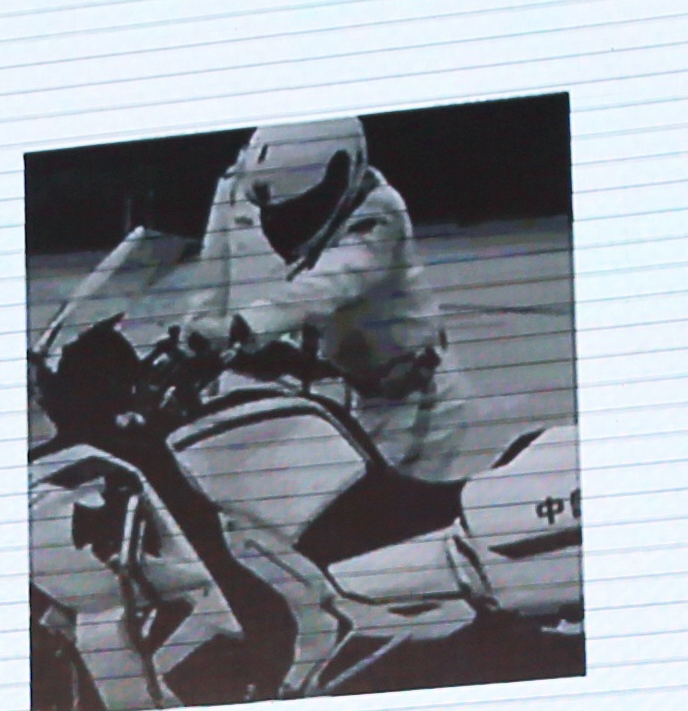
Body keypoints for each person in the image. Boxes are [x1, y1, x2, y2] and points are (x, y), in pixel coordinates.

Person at [187, 115, 483, 486]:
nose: (285, 223)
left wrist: (242, 326)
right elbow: (212, 272)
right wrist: (196, 335)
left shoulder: (380, 212)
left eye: (302, 207)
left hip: (417, 403)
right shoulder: (238, 184)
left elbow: (329, 284)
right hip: (359, 394)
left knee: (389, 512)